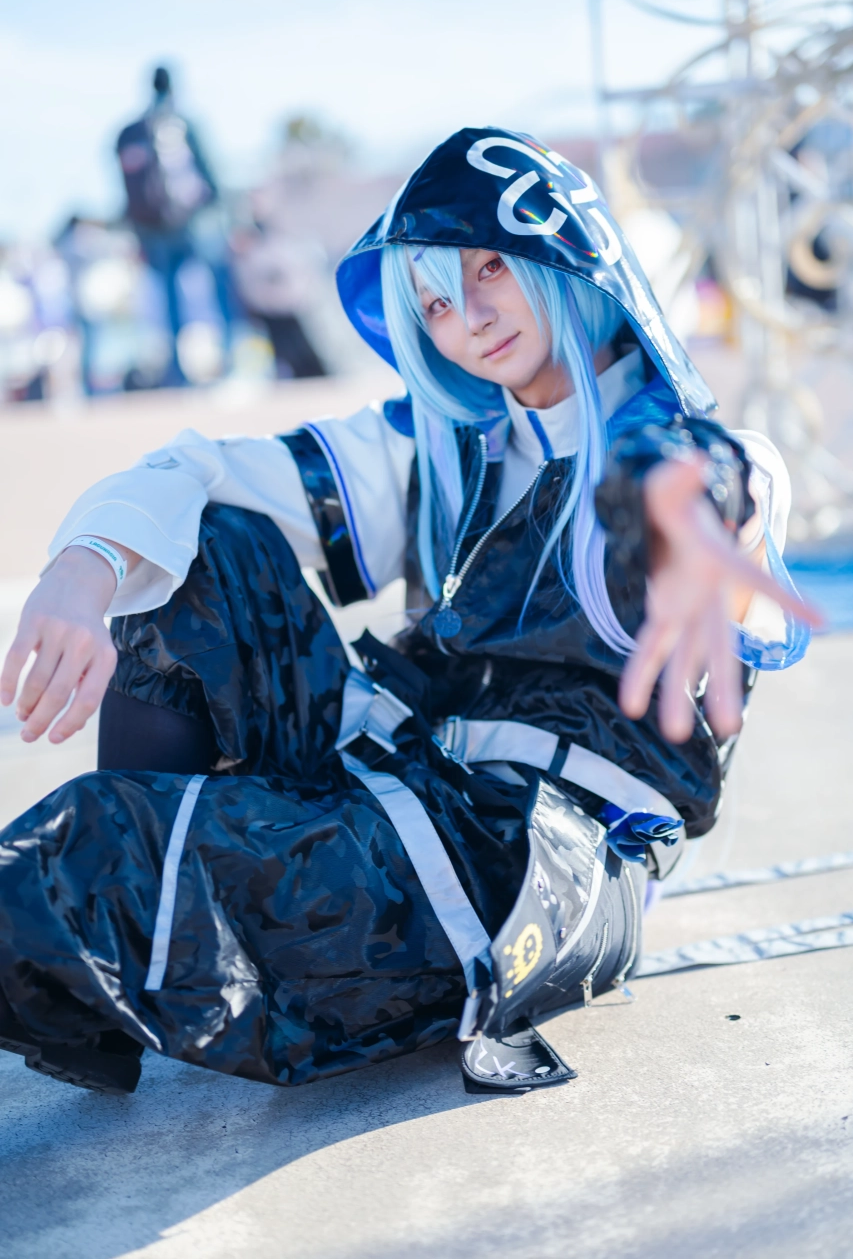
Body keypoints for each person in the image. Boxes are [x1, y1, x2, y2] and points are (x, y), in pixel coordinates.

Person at [0, 128, 815, 1097]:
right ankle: (105, 1003)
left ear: (568, 250)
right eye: (432, 302)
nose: (467, 316)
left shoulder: (690, 455)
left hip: (531, 870)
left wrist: (692, 507)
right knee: (197, 549)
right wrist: (82, 573)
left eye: (488, 268)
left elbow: (713, 474)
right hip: (403, 777)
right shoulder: (440, 443)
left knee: (95, 848)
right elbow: (200, 473)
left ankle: (104, 964)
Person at [117, 66, 232, 387]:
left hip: (153, 229)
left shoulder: (132, 131)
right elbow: (207, 170)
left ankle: (178, 371)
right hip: (194, 223)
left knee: (170, 301)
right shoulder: (182, 123)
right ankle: (229, 362)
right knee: (218, 290)